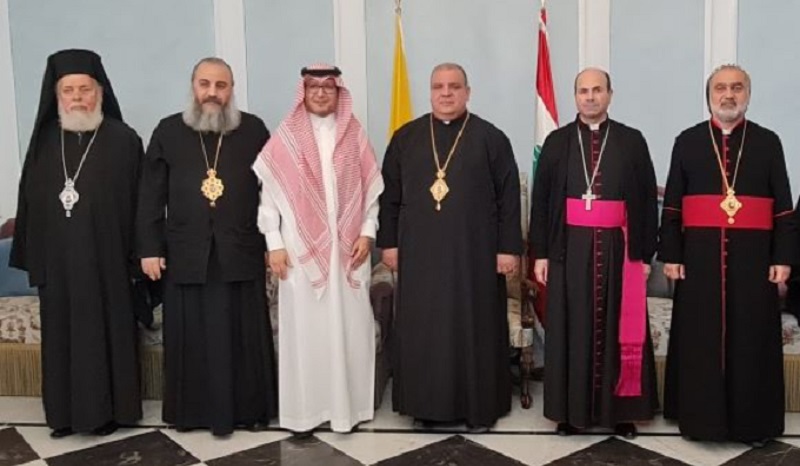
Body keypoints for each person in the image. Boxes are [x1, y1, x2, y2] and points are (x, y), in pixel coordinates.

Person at [377, 63, 521, 432]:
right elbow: (389, 197)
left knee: (474, 326)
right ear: (429, 92)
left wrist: (507, 249)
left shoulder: (491, 138)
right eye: (438, 86)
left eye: (454, 86)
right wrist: (389, 244)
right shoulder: (405, 138)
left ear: (467, 92)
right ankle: (425, 406)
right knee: (425, 328)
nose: (446, 93)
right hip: (419, 254)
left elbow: (508, 199)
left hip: (475, 255)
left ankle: (478, 407)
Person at [137, 57, 277, 436]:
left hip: (241, 248)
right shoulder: (168, 131)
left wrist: (274, 242)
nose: (212, 92)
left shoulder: (253, 130)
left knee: (242, 336)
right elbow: (151, 195)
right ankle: (192, 413)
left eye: (221, 85)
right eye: (205, 84)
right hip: (187, 252)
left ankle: (249, 411)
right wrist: (149, 248)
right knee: (191, 336)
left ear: (232, 89)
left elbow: (273, 193)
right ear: (193, 87)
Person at [659, 64, 795, 446]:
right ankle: (700, 421)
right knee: (699, 340)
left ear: (748, 94)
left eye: (737, 87)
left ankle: (753, 423)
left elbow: (783, 208)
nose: (728, 95)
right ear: (709, 96)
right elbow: (673, 205)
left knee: (752, 339)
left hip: (754, 262)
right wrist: (671, 254)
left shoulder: (768, 142)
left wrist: (783, 258)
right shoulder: (687, 141)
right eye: (720, 88)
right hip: (698, 260)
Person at [10, 48, 143, 438]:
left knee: (108, 335)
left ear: (99, 92)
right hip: (59, 267)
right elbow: (29, 204)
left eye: (85, 89)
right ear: (57, 96)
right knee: (62, 341)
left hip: (109, 264)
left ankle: (112, 412)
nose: (77, 98)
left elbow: (141, 203)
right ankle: (64, 416)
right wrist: (37, 262)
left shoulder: (124, 140)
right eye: (68, 91)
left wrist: (138, 260)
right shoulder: (43, 143)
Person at [253, 64, 383, 435]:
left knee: (350, 331)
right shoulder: (286, 138)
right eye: (314, 87)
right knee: (305, 333)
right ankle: (305, 413)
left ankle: (348, 410)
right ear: (304, 92)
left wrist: (367, 233)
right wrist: (274, 244)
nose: (321, 93)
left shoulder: (354, 134)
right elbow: (269, 199)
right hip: (298, 253)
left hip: (349, 251)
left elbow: (371, 193)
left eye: (329, 87)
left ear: (339, 92)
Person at [529, 68, 659, 439]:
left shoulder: (632, 140)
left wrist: (644, 253)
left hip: (621, 250)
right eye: (583, 91)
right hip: (569, 248)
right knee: (572, 326)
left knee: (620, 326)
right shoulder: (557, 142)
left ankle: (622, 413)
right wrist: (540, 254)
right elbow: (541, 201)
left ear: (609, 95)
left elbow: (646, 198)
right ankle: (570, 413)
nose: (590, 97)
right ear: (575, 97)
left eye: (597, 90)